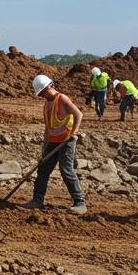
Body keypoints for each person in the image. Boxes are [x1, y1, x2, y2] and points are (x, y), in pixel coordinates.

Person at [24, 75, 88, 214]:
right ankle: (37, 200)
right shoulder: (46, 104)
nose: (41, 96)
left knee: (66, 170)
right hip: (53, 142)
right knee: (43, 170)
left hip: (66, 141)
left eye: (42, 93)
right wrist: (44, 151)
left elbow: (78, 114)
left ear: (48, 87)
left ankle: (80, 203)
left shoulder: (62, 99)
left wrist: (74, 133)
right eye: (40, 94)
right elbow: (48, 129)